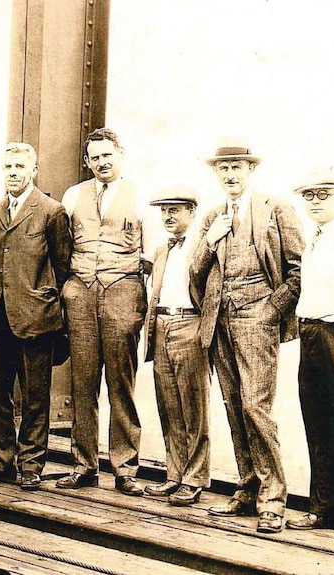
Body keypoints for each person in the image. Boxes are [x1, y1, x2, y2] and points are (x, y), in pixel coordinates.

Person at [190, 138, 303, 533]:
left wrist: (270, 312)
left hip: (257, 321)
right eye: (223, 168)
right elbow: (195, 272)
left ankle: (273, 500)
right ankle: (248, 485)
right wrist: (210, 240)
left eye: (237, 167)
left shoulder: (277, 209)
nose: (230, 174)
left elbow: (296, 272)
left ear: (251, 170)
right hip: (219, 321)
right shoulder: (213, 216)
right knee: (234, 405)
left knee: (257, 407)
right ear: (216, 173)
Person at [55, 128, 148, 496]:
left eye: (108, 155)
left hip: (122, 293)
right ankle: (84, 465)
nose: (101, 162)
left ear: (121, 154)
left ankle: (125, 468)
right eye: (95, 157)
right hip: (80, 295)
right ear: (87, 161)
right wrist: (69, 290)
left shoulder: (139, 196)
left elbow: (152, 256)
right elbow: (62, 247)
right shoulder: (73, 196)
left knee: (121, 383)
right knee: (82, 382)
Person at [0, 142, 70, 491]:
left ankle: (31, 463)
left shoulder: (51, 211)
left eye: (19, 167)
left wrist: (61, 321)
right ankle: (2, 461)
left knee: (34, 394)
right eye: (7, 167)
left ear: (33, 172)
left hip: (36, 317)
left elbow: (63, 271)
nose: (13, 173)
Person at [283, 167, 334, 543]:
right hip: (310, 333)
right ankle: (325, 512)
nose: (315, 203)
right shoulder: (316, 239)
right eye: (308, 196)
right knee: (319, 423)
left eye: (323, 195)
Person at [142, 187, 210, 506]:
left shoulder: (202, 246)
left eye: (176, 210)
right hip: (161, 326)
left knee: (193, 406)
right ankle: (175, 474)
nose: (168, 216)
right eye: (164, 210)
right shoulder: (162, 249)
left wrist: (203, 331)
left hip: (190, 325)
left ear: (192, 212)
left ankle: (195, 478)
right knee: (169, 404)